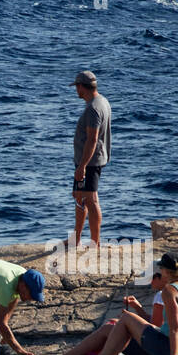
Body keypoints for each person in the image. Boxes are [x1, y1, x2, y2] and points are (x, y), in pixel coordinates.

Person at [81, 252, 178, 355]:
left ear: (165, 271)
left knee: (125, 318)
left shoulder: (170, 290)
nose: (160, 271)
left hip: (171, 348)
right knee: (121, 323)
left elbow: (175, 328)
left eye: (161, 268)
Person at [71, 70, 111, 248]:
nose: (76, 91)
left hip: (90, 162)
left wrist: (83, 166)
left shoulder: (93, 108)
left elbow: (92, 139)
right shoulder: (102, 101)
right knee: (80, 197)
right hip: (88, 161)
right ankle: (76, 239)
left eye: (76, 87)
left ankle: (95, 242)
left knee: (91, 199)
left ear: (81, 87)